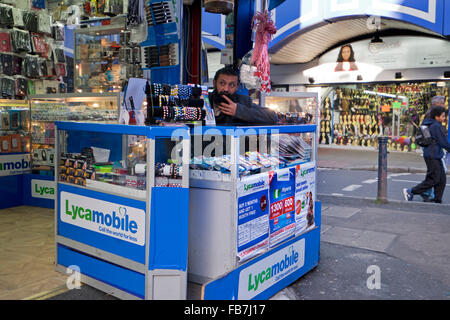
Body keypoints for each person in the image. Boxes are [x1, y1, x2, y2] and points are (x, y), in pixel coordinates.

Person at [403, 104, 450, 203]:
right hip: (433, 155)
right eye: (443, 116)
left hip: (433, 154)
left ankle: (437, 199)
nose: (444, 118)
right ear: (436, 116)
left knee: (441, 178)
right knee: (433, 179)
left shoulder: (430, 123)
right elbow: (443, 142)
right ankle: (410, 191)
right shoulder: (436, 126)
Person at [209, 66, 278, 125]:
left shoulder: (244, 101)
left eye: (232, 85)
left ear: (237, 87)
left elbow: (272, 117)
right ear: (214, 83)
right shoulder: (205, 101)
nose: (226, 89)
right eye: (222, 83)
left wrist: (239, 111)